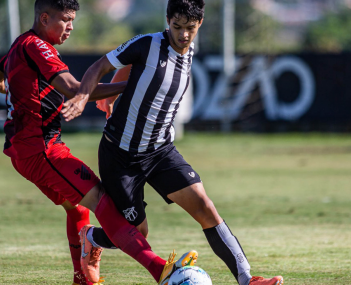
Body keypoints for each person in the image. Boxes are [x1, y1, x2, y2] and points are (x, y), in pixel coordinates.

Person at [61, 0, 285, 285]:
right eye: (176, 27)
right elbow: (100, 65)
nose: (183, 35)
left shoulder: (190, 49)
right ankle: (91, 238)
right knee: (136, 232)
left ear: (199, 24)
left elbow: (138, 72)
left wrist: (113, 95)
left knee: (205, 207)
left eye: (190, 28)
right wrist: (85, 96)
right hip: (120, 156)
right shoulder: (147, 44)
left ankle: (247, 279)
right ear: (167, 20)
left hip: (160, 152)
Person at [0, 1, 199, 285]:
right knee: (102, 200)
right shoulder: (38, 47)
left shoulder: (20, 44)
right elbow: (76, 89)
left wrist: (15, 93)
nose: (71, 27)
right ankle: (160, 268)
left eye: (73, 20)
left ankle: (82, 279)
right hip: (41, 149)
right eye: (66, 20)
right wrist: (133, 85)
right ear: (45, 17)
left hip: (26, 149)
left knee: (78, 208)